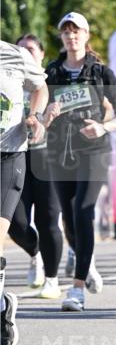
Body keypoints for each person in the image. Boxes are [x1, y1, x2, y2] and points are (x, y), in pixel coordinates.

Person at [42, 13, 116, 312]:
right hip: (59, 151)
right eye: (66, 31)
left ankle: (77, 289)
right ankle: (87, 261)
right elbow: (38, 118)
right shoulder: (51, 73)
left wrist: (103, 127)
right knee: (68, 217)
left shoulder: (100, 72)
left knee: (83, 211)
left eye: (76, 31)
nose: (71, 36)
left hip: (94, 150)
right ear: (61, 38)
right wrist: (47, 115)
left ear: (86, 34)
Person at [1, 40, 48, 345]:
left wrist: (35, 115)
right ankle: (3, 303)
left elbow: (40, 87)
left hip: (8, 157)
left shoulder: (15, 55)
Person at [8, 34, 64, 298]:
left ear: (41, 55)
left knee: (48, 219)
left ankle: (51, 279)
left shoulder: (51, 82)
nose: (24, 55)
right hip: (14, 157)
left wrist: (49, 118)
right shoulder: (8, 78)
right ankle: (35, 252)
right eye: (20, 50)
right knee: (15, 223)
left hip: (47, 158)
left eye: (30, 50)